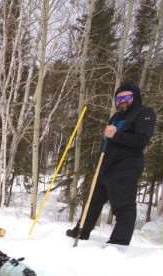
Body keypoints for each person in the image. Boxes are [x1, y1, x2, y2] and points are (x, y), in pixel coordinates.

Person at [67, 82, 157, 245]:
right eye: (119, 97)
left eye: (127, 97)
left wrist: (116, 135)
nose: (122, 100)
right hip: (106, 166)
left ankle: (119, 242)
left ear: (135, 97)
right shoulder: (116, 117)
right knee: (92, 201)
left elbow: (142, 140)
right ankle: (81, 231)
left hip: (125, 166)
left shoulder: (144, 113)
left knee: (122, 206)